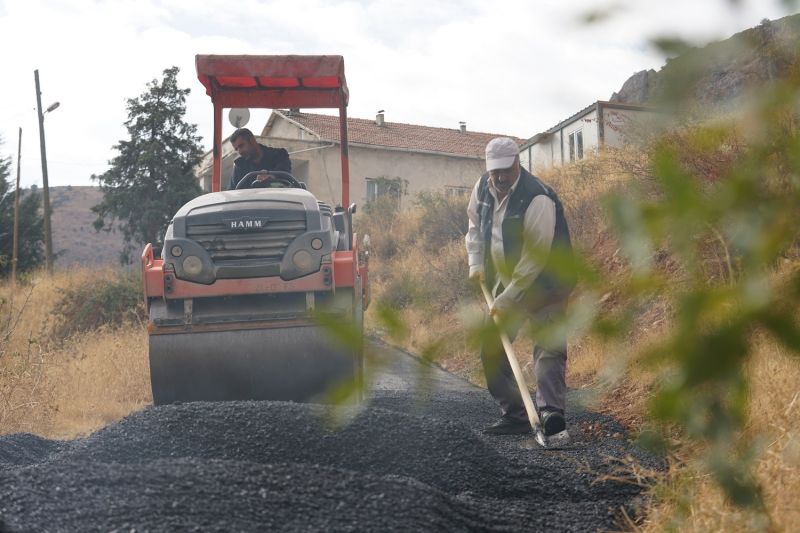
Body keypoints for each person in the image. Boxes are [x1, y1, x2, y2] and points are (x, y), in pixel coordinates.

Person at [465, 137, 574, 438]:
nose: (500, 177)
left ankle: (551, 415)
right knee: (492, 346)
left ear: (518, 163)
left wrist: (508, 298)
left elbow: (534, 259)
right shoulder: (482, 188)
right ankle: (516, 414)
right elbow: (474, 227)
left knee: (548, 347)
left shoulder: (537, 197)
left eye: (506, 170)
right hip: (505, 279)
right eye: (495, 171)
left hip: (547, 282)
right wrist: (476, 263)